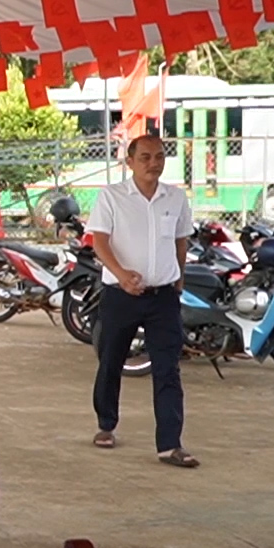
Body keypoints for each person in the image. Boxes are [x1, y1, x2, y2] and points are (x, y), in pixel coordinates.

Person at [88, 132, 198, 468]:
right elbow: (99, 242)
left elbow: (180, 241)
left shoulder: (175, 198)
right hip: (120, 295)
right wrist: (121, 274)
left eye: (160, 156)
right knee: (111, 360)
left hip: (163, 296)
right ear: (130, 161)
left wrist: (179, 277)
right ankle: (106, 424)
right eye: (146, 157)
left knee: (168, 369)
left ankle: (170, 444)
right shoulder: (112, 197)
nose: (153, 163)